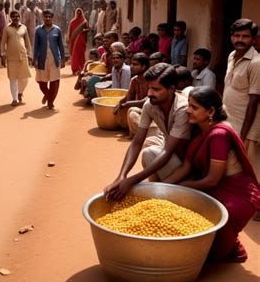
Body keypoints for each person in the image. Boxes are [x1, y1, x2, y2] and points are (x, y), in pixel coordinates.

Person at [164, 87, 259, 262]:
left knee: (205, 250)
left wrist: (182, 187)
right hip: (217, 186)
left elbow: (212, 180)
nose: (188, 111)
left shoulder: (219, 136)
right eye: (188, 105)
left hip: (237, 193)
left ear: (211, 111)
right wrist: (163, 188)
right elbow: (185, 168)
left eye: (194, 107)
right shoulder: (202, 130)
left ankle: (232, 248)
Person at [105, 64, 191, 200]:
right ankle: (159, 191)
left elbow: (167, 152)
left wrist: (132, 180)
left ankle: (165, 193)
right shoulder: (150, 104)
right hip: (172, 154)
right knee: (148, 153)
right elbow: (137, 142)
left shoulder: (182, 109)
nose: (150, 93)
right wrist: (122, 176)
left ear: (172, 89)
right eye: (149, 88)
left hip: (187, 164)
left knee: (152, 156)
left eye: (156, 89)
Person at [223, 19, 260, 165]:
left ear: (253, 39)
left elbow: (254, 101)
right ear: (231, 36)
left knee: (245, 169)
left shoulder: (256, 63)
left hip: (246, 129)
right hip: (229, 123)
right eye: (237, 35)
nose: (240, 40)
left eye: (245, 36)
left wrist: (242, 137)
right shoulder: (231, 56)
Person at [33, 9, 65, 109]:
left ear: (52, 18)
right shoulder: (38, 30)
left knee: (54, 81)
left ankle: (50, 102)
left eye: (49, 17)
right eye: (46, 16)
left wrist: (63, 59)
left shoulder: (57, 30)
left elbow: (61, 46)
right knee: (41, 81)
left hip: (54, 59)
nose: (47, 18)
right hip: (42, 59)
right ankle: (47, 94)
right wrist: (34, 59)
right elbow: (36, 46)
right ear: (43, 17)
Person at [0, 10, 32, 106]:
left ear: (19, 17)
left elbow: (28, 42)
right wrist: (2, 55)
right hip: (11, 57)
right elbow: (3, 43)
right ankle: (15, 99)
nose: (16, 18)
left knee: (25, 78)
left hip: (23, 56)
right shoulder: (7, 28)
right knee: (13, 78)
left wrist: (30, 54)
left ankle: (20, 93)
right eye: (14, 16)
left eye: (17, 16)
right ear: (11, 18)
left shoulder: (24, 28)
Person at [115, 53, 150, 138]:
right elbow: (129, 97)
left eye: (135, 64)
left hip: (151, 112)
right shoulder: (134, 80)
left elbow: (147, 101)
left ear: (144, 67)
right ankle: (134, 132)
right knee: (121, 109)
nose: (131, 67)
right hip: (140, 110)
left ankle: (143, 135)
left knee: (131, 110)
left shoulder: (150, 80)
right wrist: (122, 102)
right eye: (131, 64)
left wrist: (128, 104)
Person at [68, 8, 90, 75]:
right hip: (74, 41)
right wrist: (69, 40)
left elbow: (89, 29)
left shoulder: (84, 21)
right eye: (77, 12)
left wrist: (84, 31)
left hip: (82, 40)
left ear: (82, 13)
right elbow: (70, 32)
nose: (79, 14)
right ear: (75, 13)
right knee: (75, 54)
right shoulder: (72, 22)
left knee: (81, 54)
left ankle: (82, 68)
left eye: (80, 12)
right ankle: (75, 68)